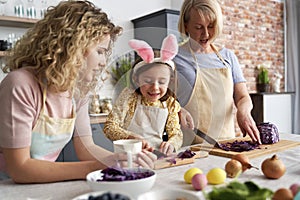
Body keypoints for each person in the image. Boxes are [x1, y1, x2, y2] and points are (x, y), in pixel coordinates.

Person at [0, 0, 156, 183]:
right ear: (73, 46)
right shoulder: (21, 84)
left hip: (40, 184)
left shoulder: (78, 91)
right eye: (100, 51)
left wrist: (126, 161)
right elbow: (20, 168)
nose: (104, 62)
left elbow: (86, 147)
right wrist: (100, 167)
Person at [174, 0, 261, 146]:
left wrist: (244, 112)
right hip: (189, 147)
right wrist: (177, 110)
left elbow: (242, 97)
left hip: (226, 144)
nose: (206, 34)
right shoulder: (174, 57)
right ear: (186, 25)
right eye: (198, 27)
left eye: (211, 26)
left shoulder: (228, 57)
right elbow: (160, 100)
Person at [104, 34, 183, 155]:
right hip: (128, 156)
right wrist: (130, 138)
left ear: (169, 81)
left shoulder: (170, 103)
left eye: (162, 82)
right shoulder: (129, 97)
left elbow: (176, 134)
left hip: (156, 157)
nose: (155, 87)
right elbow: (110, 127)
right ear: (136, 79)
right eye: (148, 81)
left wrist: (171, 144)